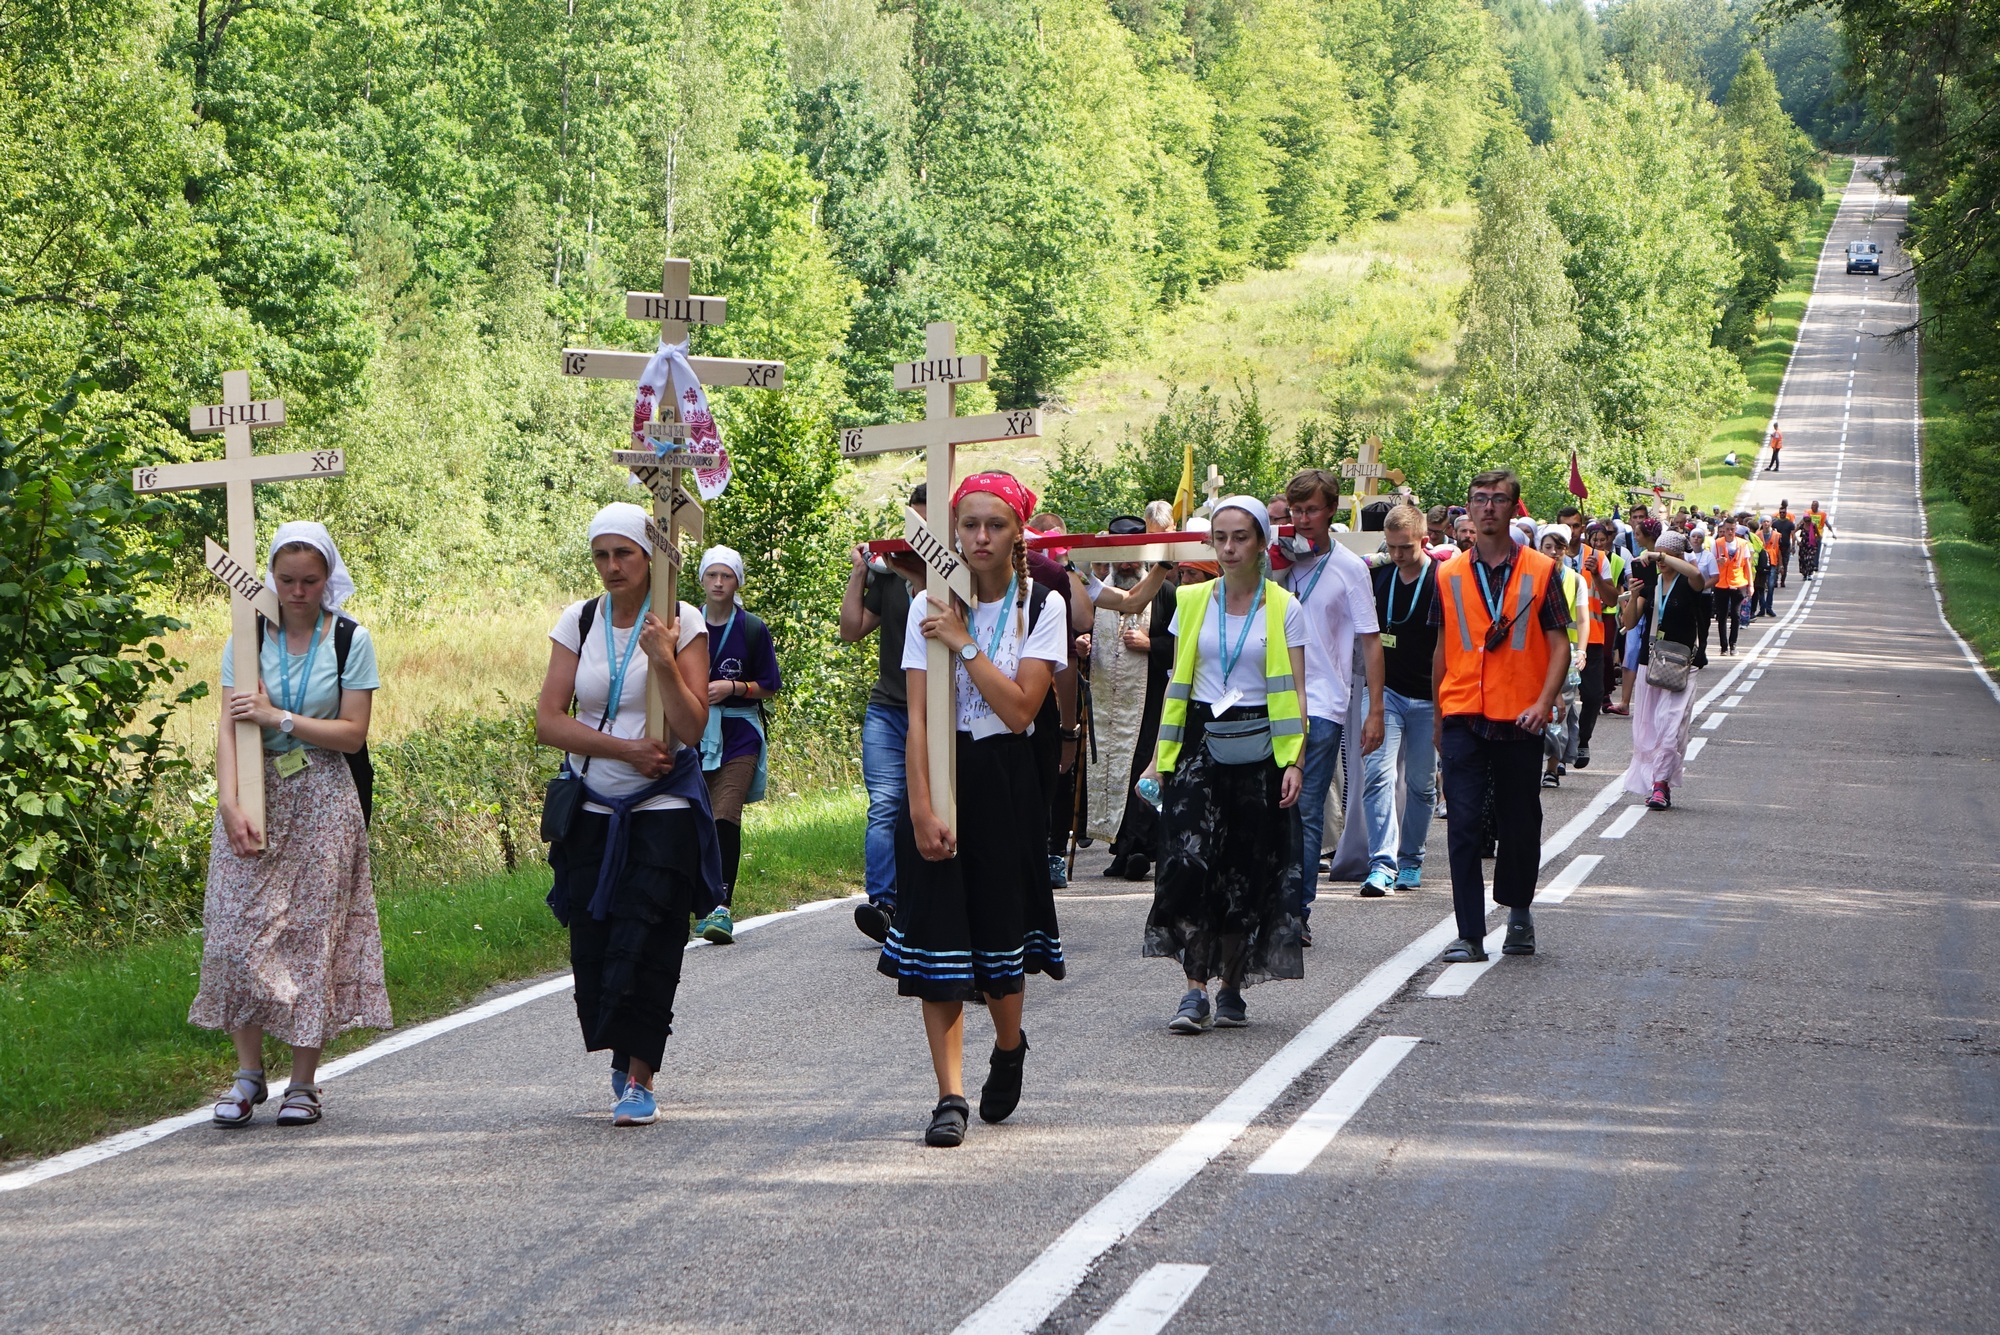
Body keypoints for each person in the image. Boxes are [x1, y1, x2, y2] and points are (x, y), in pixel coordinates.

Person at [889, 471, 1067, 1148]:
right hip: (941, 766)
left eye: (995, 524)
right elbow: (917, 718)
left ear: (1018, 531)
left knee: (999, 940)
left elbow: (1021, 710)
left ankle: (1010, 1042)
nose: (981, 537)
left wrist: (964, 640)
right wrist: (921, 805)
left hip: (1004, 776)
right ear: (953, 531)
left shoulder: (1040, 602)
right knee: (938, 937)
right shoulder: (924, 603)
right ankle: (949, 1094)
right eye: (970, 525)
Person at [195, 522, 388, 1130]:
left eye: (309, 581)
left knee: (311, 935)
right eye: (286, 581)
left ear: (327, 578)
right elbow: (228, 724)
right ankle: (248, 1072)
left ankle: (303, 1082)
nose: (298, 592)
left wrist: (280, 715)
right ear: (269, 581)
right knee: (236, 929)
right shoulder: (246, 637)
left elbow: (353, 733)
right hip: (258, 788)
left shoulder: (350, 639)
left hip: (324, 795)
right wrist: (229, 802)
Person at [535, 503, 718, 1127]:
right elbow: (549, 720)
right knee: (595, 945)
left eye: (625, 554)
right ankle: (620, 1053)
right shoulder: (579, 620)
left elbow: (692, 726)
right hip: (591, 807)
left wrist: (663, 658)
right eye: (602, 556)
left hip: (662, 811)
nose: (613, 567)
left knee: (651, 943)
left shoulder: (683, 620)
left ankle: (640, 1075)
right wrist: (625, 749)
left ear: (650, 557)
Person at [1140, 496, 1307, 1032]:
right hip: (1198, 743)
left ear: (1261, 543)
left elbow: (1297, 694)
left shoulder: (1284, 607)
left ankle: (1231, 985)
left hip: (1260, 749)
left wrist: (1295, 761)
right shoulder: (1190, 601)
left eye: (1240, 537)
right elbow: (1174, 685)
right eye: (1221, 538)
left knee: (1246, 869)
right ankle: (1194, 989)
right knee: (1189, 864)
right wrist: (1156, 760)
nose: (1229, 548)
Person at [1431, 470, 1571, 964]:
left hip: (1520, 718)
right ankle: (1469, 933)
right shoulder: (1447, 573)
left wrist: (1543, 701)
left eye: (1498, 499)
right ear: (1468, 508)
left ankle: (1518, 910)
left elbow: (1560, 646)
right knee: (1462, 824)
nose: (1487, 507)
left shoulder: (1541, 570)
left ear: (1515, 509)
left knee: (1519, 822)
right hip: (1464, 714)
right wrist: (1437, 714)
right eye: (1479, 499)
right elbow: (1443, 647)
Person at [1276, 469, 1383, 941]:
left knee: (1305, 807)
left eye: (1312, 510)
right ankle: (1267, 901)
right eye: (1295, 511)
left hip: (1321, 702)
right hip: (1267, 699)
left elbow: (1372, 641)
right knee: (1266, 806)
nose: (1302, 520)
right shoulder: (1277, 560)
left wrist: (1374, 709)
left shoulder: (1350, 568)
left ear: (1332, 510)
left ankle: (1296, 912)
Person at [839, 485, 927, 942]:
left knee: (930, 806)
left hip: (938, 714)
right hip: (888, 709)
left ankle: (928, 899)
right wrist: (859, 573)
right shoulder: (890, 571)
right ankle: (883, 905)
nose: (920, 530)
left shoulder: (962, 573)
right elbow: (851, 629)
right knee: (886, 804)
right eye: (914, 521)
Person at [694, 545, 781, 945]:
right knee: (690, 819)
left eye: (726, 576)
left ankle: (721, 907)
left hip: (739, 734)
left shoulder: (752, 628)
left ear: (737, 582)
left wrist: (733, 687)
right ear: (701, 579)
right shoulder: (687, 624)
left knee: (724, 815)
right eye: (712, 575)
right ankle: (695, 899)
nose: (718, 582)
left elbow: (770, 686)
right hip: (692, 734)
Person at [1357, 505, 1439, 894]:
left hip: (1430, 698)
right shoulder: (1378, 574)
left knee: (1422, 785)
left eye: (1405, 547)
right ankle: (1381, 865)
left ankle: (1411, 861)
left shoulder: (1442, 577)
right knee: (1378, 776)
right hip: (1384, 694)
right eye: (1391, 548)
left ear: (1424, 539)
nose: (1398, 555)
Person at [1619, 529, 1707, 810]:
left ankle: (1661, 784)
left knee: (1671, 728)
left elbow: (1696, 576)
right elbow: (1629, 623)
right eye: (1658, 553)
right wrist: (1633, 597)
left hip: (1681, 665)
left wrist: (1661, 554)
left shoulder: (1688, 581)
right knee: (1649, 729)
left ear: (1678, 555)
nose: (1660, 559)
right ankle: (1654, 781)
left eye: (1667, 554)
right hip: (1651, 663)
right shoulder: (1650, 584)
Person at [1538, 525, 1586, 790]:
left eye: (1559, 547)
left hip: (1564, 654)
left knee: (1560, 711)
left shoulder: (1575, 579)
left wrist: (1582, 650)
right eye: (1548, 547)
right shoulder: (1530, 577)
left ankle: (1553, 767)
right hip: (1534, 652)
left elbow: (1582, 618)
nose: (1553, 552)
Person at [1573, 521, 1620, 767]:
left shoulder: (1598, 558)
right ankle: (1557, 754)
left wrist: (1596, 575)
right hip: (1558, 639)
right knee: (1560, 699)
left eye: (1574, 526)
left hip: (1590, 638)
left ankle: (1582, 740)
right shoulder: (1547, 556)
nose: (1571, 531)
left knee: (1592, 695)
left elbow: (1611, 598)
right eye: (1565, 526)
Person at [1711, 522, 1750, 654]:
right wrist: (1717, 561)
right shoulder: (1717, 543)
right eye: (1727, 529)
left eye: (1732, 529)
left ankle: (1733, 644)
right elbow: (1711, 562)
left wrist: (1750, 585)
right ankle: (1723, 646)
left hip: (1738, 583)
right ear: (1723, 530)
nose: (1729, 532)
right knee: (1721, 616)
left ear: (1736, 529)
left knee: (1736, 614)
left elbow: (1747, 565)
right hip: (1721, 584)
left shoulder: (1743, 544)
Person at [1688, 526, 1719, 668]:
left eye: (1699, 537)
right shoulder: (1685, 555)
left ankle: (1701, 654)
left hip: (1704, 596)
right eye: (1693, 536)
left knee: (1703, 626)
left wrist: (1701, 586)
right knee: (1689, 625)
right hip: (1688, 595)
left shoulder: (1708, 556)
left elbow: (1715, 577)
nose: (1696, 539)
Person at [1755, 519, 1780, 618]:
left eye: (1768, 521)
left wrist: (1780, 564)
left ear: (1771, 523)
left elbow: (1779, 550)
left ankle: (1769, 607)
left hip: (1772, 562)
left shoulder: (1777, 535)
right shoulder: (1757, 535)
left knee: (1770, 586)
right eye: (1764, 521)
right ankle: (1762, 608)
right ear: (1761, 523)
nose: (1766, 523)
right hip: (1761, 563)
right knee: (1760, 586)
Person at [1771, 502, 1797, 588]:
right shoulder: (1775, 523)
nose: (1782, 514)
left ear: (1786, 513)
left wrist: (1793, 546)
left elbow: (1793, 535)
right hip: (1777, 547)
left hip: (1786, 546)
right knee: (1775, 563)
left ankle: (1782, 581)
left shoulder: (1790, 524)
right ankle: (1775, 581)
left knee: (1785, 564)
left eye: (1783, 512)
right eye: (1780, 512)